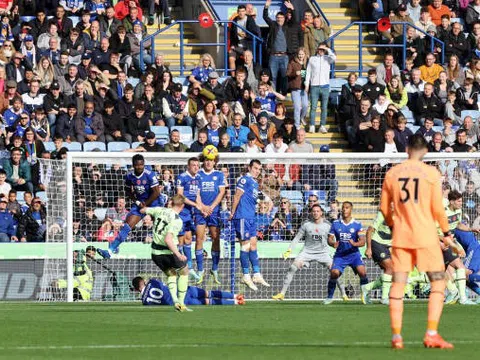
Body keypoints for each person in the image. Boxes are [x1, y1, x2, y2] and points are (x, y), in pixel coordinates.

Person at [380, 134, 456, 349]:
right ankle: (431, 333)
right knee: (438, 280)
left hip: (401, 236)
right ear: (425, 151)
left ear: (406, 149)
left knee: (398, 283)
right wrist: (447, 233)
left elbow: (385, 209)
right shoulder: (431, 173)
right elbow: (438, 209)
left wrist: (394, 225)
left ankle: (396, 336)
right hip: (426, 237)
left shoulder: (392, 173)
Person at [272, 204, 347, 301]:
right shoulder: (306, 225)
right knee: (292, 268)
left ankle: (344, 295)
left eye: (317, 211)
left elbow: (334, 239)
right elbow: (297, 238)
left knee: (335, 271)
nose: (315, 213)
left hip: (323, 252)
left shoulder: (328, 225)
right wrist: (289, 250)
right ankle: (282, 294)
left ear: (321, 213)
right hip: (307, 252)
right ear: (311, 213)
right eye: (314, 211)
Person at [97, 155, 161, 259]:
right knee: (127, 226)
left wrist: (146, 204)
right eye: (137, 165)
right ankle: (110, 251)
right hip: (140, 203)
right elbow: (127, 191)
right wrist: (137, 201)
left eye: (141, 164)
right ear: (133, 165)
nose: (139, 167)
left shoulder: (150, 175)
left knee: (159, 227)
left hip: (154, 202)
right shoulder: (129, 176)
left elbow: (156, 192)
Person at [139, 194, 191, 312]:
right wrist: (178, 254)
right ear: (182, 206)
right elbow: (168, 240)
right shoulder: (177, 220)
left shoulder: (159, 209)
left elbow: (143, 210)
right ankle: (181, 303)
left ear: (171, 203)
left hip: (155, 253)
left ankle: (175, 302)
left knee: (171, 274)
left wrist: (142, 206)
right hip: (167, 251)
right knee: (184, 272)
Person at [230, 159, 270, 291]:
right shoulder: (244, 179)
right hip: (242, 216)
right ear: (249, 167)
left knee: (253, 244)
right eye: (255, 168)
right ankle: (246, 275)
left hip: (251, 218)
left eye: (259, 169)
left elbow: (255, 199)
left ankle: (257, 274)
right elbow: (236, 196)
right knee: (245, 245)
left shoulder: (254, 183)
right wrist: (232, 212)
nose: (257, 171)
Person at [325, 201, 370, 305]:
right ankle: (329, 297)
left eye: (347, 207)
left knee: (363, 272)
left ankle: (366, 297)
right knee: (334, 273)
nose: (345, 209)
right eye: (343, 208)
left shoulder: (357, 224)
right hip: (340, 255)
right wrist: (333, 243)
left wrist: (355, 244)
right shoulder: (336, 224)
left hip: (354, 254)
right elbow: (329, 239)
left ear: (351, 209)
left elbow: (363, 241)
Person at [194, 153, 225, 285]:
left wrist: (211, 207)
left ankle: (215, 269)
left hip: (214, 211)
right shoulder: (198, 174)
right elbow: (196, 192)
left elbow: (222, 192)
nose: (208, 163)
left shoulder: (219, 175)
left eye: (211, 160)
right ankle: (200, 270)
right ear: (203, 161)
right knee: (199, 238)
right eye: (206, 160)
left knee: (215, 237)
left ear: (215, 162)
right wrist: (202, 207)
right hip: (200, 211)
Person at [440, 190, 476, 305]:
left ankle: (461, 297)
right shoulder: (442, 213)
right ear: (451, 201)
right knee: (440, 270)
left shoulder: (459, 211)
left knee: (459, 266)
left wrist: (471, 229)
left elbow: (459, 225)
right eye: (459, 201)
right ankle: (454, 292)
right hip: (437, 243)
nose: (461, 203)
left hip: (448, 243)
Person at [132, 276, 245, 306]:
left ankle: (236, 302)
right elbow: (164, 285)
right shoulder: (152, 282)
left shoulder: (145, 302)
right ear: (144, 281)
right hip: (183, 291)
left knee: (207, 302)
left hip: (181, 302)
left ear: (137, 289)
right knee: (208, 293)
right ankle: (236, 296)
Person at [176, 157, 202, 281]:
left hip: (190, 213)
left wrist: (201, 207)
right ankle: (180, 266)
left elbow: (197, 196)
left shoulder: (198, 178)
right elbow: (180, 196)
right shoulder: (182, 177)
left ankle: (190, 267)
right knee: (180, 240)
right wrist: (195, 205)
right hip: (181, 212)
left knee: (188, 239)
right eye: (193, 165)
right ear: (188, 166)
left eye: (197, 165)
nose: (196, 167)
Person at [305, 43, 336, 134]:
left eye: (323, 49)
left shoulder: (328, 58)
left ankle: (322, 125)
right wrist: (307, 85)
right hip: (314, 86)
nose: (321, 51)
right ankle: (312, 125)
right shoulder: (312, 59)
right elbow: (308, 73)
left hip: (325, 86)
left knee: (324, 107)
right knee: (313, 107)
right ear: (317, 49)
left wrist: (327, 49)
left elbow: (334, 58)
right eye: (320, 49)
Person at [363, 211, 393, 305]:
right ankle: (384, 298)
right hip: (376, 243)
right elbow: (369, 230)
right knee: (389, 268)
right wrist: (368, 248)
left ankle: (367, 288)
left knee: (392, 273)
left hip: (387, 245)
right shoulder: (383, 214)